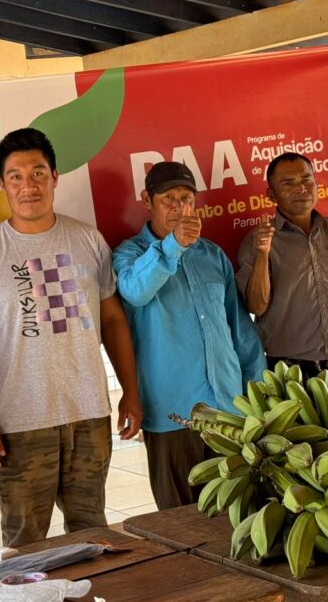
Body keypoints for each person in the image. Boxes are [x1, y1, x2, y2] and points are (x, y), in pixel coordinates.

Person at [0, 128, 142, 548]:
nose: (27, 185)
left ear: (54, 176)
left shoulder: (87, 239)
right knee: (23, 542)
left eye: (37, 173)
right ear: (2, 184)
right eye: (15, 176)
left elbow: (113, 321)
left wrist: (130, 391)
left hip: (88, 414)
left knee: (92, 534)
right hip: (19, 424)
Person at [113, 161, 266, 509]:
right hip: (172, 411)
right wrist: (173, 246)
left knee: (239, 510)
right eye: (169, 198)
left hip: (229, 407)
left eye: (187, 198)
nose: (180, 208)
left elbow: (239, 327)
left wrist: (257, 390)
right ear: (146, 199)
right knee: (180, 516)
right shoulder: (130, 254)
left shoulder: (211, 254)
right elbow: (135, 291)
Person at [236, 152, 328, 395]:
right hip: (290, 373)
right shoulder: (259, 241)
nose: (301, 188)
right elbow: (256, 306)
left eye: (306, 179)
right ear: (271, 195)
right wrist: (262, 254)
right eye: (288, 183)